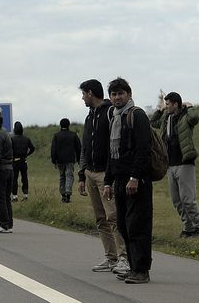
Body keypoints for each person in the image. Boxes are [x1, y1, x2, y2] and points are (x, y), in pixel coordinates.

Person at [103, 77, 153, 284]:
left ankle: (142, 270)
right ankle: (133, 266)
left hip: (136, 181)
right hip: (120, 180)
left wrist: (135, 177)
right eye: (113, 94)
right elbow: (111, 154)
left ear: (129, 94)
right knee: (123, 226)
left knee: (137, 226)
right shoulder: (114, 117)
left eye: (120, 93)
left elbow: (143, 150)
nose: (117, 98)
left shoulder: (137, 115)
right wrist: (108, 181)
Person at [78, 79, 129, 274]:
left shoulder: (110, 113)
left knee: (114, 216)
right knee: (100, 218)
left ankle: (124, 257)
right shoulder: (89, 116)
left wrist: (111, 174)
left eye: (83, 94)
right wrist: (82, 175)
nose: (82, 98)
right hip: (90, 172)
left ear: (90, 93)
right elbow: (84, 147)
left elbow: (114, 145)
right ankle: (111, 257)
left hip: (106, 173)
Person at [150, 91, 199, 238]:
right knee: (176, 200)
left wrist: (190, 107)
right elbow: (153, 123)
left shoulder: (186, 116)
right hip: (170, 164)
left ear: (175, 104)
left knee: (188, 199)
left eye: (168, 104)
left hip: (185, 162)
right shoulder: (167, 118)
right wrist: (159, 110)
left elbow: (194, 118)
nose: (166, 107)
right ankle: (188, 228)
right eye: (165, 104)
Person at [51, 118, 81, 203]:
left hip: (60, 160)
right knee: (69, 175)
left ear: (60, 125)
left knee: (62, 176)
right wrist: (79, 160)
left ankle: (63, 194)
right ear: (68, 125)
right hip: (70, 159)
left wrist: (54, 160)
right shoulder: (73, 135)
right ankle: (68, 193)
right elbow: (78, 148)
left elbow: (53, 149)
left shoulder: (56, 135)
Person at [10, 121, 35, 202]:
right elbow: (32, 148)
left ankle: (14, 196)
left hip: (15, 161)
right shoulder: (26, 139)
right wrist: (27, 154)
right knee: (24, 178)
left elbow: (9, 149)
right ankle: (25, 195)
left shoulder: (12, 139)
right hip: (23, 161)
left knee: (14, 179)